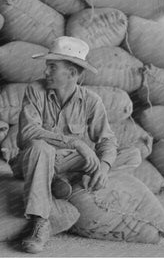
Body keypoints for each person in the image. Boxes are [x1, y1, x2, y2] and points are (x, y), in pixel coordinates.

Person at [16, 36, 141, 253]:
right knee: (40, 147)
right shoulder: (35, 90)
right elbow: (28, 131)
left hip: (67, 163)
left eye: (52, 67)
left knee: (132, 154)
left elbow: (107, 139)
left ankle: (62, 181)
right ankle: (41, 221)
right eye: (47, 66)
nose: (46, 72)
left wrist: (104, 167)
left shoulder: (91, 101)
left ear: (72, 74)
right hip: (35, 159)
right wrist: (75, 142)